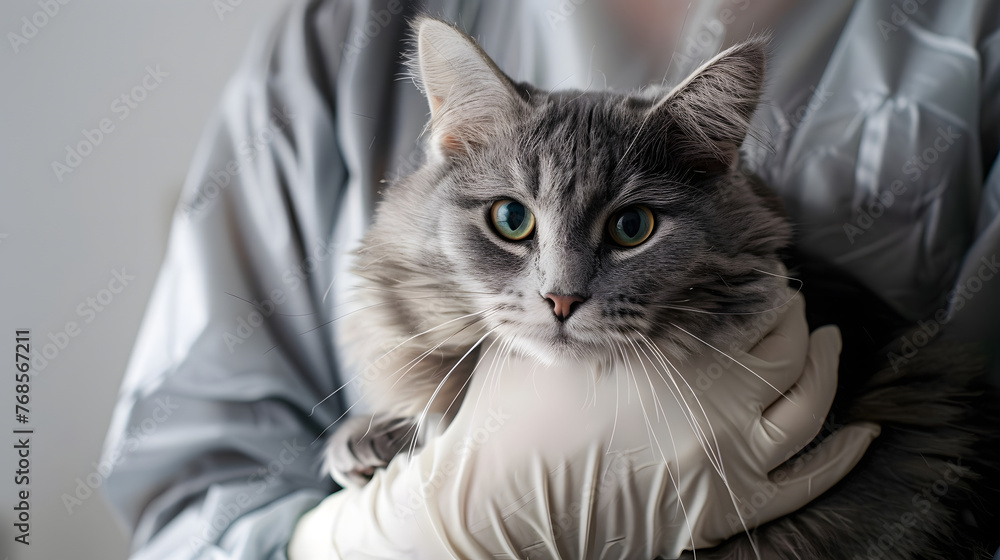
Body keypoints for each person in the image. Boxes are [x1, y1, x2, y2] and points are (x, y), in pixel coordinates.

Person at [100, 0, 1000, 558]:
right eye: (513, 222)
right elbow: (187, 500)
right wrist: (384, 537)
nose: (561, 288)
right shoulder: (342, 34)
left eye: (630, 228)